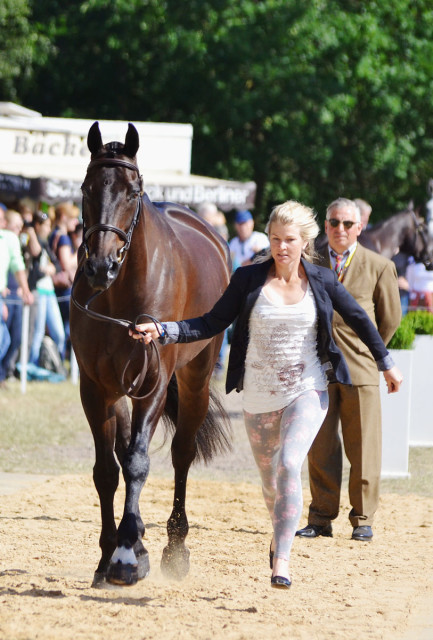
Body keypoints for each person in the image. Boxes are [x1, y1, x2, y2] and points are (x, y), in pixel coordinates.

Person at [128, 199, 403, 589]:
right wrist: (166, 330)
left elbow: (359, 318)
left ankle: (283, 561)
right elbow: (211, 322)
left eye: (289, 239)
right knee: (272, 483)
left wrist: (385, 362)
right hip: (258, 396)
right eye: (275, 239)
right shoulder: (248, 279)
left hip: (307, 389)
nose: (281, 247)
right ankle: (280, 531)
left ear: (305, 241)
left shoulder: (322, 280)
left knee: (290, 463)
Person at [296, 197, 402, 544]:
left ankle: (363, 519)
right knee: (320, 447)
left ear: (359, 228)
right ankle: (321, 517)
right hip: (318, 370)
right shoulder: (308, 263)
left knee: (364, 449)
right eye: (333, 222)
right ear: (325, 227)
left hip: (361, 371)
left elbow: (389, 321)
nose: (339, 229)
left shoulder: (380, 266)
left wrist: (369, 354)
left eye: (346, 223)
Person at [0, 207, 34, 389]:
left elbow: (18, 265)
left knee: (12, 338)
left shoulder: (10, 239)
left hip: (11, 296)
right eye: (17, 225)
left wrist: (25, 290)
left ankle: (2, 374)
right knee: (3, 338)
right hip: (3, 295)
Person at [28, 211, 65, 368]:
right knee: (36, 333)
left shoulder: (46, 243)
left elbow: (56, 265)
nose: (49, 229)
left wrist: (49, 268)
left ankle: (59, 365)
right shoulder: (31, 240)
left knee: (59, 333)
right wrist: (30, 230)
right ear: (38, 226)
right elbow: (35, 253)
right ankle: (31, 367)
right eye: (46, 225)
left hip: (49, 294)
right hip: (38, 292)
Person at [48, 201, 79, 356]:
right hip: (64, 289)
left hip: (55, 287)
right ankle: (62, 358)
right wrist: (80, 249)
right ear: (64, 217)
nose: (76, 221)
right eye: (73, 218)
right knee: (68, 327)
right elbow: (66, 263)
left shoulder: (53, 234)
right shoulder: (64, 238)